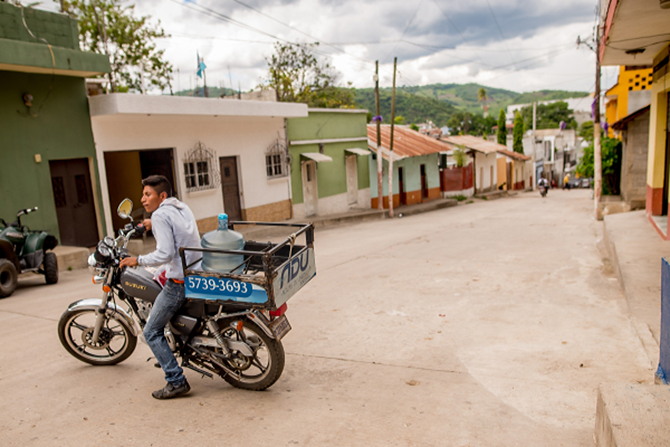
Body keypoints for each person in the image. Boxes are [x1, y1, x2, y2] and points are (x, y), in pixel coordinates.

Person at [119, 175, 201, 399]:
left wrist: (138, 260)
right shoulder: (180, 207)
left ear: (161, 196)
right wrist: (150, 223)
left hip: (179, 282)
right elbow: (175, 229)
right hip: (195, 270)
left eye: (148, 194)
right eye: (143, 194)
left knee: (151, 331)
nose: (142, 199)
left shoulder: (161, 214)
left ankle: (176, 380)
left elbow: (164, 253)